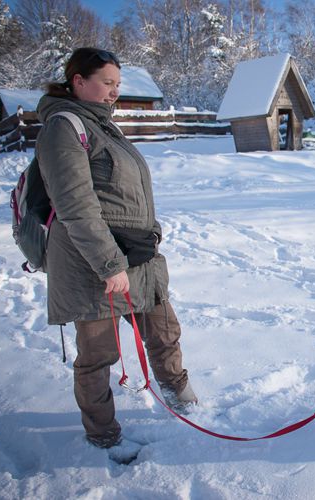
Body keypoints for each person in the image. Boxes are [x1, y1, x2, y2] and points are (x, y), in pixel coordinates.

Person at [36, 47, 198, 449]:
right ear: (78, 81)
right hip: (91, 264)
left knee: (164, 332)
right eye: (107, 83)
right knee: (98, 354)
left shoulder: (106, 127)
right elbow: (75, 203)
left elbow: (133, 192)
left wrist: (153, 231)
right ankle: (104, 435)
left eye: (117, 85)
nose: (114, 92)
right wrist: (109, 264)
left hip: (138, 258)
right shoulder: (63, 126)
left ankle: (181, 396)